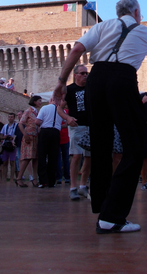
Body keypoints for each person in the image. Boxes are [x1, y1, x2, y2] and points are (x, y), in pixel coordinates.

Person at [53, 0, 147, 234]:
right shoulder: (144, 32)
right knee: (136, 147)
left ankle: (104, 208)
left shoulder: (102, 26)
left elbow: (76, 49)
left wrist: (61, 82)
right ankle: (112, 216)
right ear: (136, 11)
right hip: (122, 80)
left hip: (96, 80)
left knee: (101, 145)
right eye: (140, 12)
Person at [57, 65, 92, 200]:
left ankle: (83, 186)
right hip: (76, 126)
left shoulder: (91, 88)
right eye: (82, 73)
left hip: (90, 126)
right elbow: (59, 109)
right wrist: (68, 118)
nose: (85, 75)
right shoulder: (70, 90)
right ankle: (73, 187)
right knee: (76, 156)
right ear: (75, 75)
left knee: (89, 157)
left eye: (86, 73)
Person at [15, 96, 42, 187]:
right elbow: (20, 123)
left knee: (35, 158)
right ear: (34, 101)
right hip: (29, 137)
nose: (40, 102)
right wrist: (25, 134)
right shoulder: (28, 111)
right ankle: (19, 178)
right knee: (27, 158)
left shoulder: (37, 112)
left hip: (36, 136)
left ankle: (34, 179)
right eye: (39, 101)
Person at [0, 113, 18, 182]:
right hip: (5, 145)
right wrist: (4, 137)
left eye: (11, 117)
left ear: (14, 118)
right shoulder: (5, 126)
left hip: (12, 145)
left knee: (12, 162)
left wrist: (13, 138)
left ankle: (11, 178)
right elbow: (1, 136)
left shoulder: (16, 126)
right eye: (9, 117)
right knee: (4, 162)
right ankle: (4, 178)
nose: (10, 118)